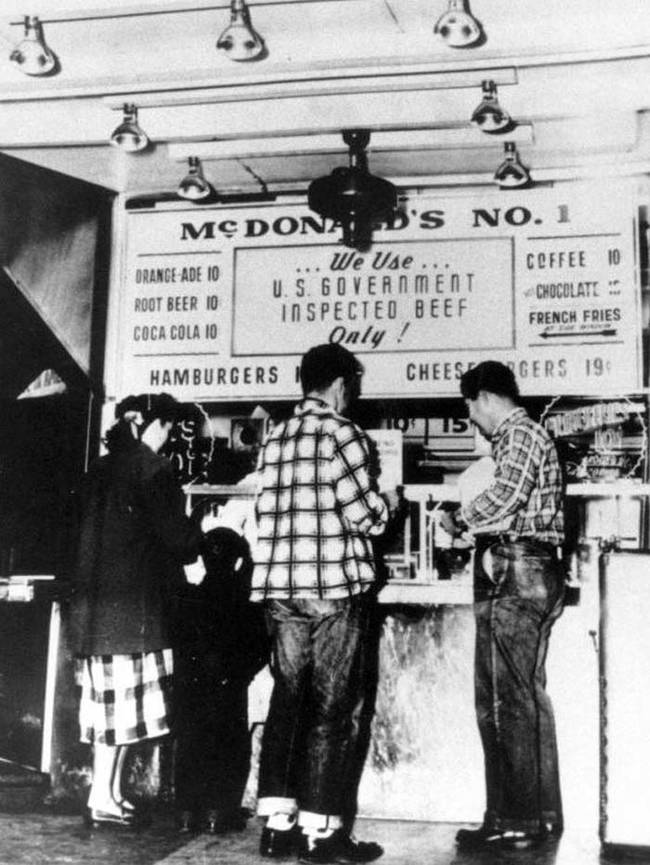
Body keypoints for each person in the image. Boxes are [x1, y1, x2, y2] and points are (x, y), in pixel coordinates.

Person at [252, 343, 390, 865]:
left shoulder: (276, 437)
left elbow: (265, 510)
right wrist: (386, 504)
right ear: (340, 385)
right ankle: (322, 832)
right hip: (332, 590)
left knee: (288, 701)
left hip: (281, 593)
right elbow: (363, 516)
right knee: (333, 710)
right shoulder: (344, 434)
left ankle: (276, 823)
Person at [69, 393, 210, 827]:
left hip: (95, 610)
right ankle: (102, 797)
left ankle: (106, 792)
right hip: (133, 612)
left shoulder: (102, 467)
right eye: (165, 427)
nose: (168, 438)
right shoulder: (150, 467)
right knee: (120, 714)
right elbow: (180, 541)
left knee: (108, 714)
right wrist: (203, 527)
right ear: (140, 422)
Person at [441, 361, 565, 851]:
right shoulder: (532, 435)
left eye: (471, 408)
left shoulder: (518, 434)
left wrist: (458, 518)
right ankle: (540, 814)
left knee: (501, 702)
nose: (473, 419)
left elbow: (506, 498)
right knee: (527, 699)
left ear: (486, 397)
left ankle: (514, 819)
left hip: (515, 566)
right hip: (535, 567)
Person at [171, 526, 270, 835]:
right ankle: (219, 812)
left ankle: (187, 812)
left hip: (191, 687)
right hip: (229, 688)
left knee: (189, 744)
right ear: (238, 560)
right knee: (230, 746)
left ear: (202, 558)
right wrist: (239, 675)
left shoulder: (188, 599)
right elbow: (260, 648)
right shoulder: (247, 607)